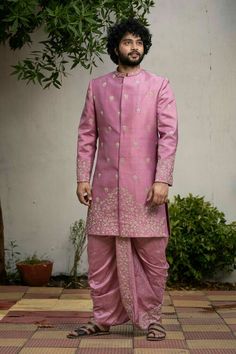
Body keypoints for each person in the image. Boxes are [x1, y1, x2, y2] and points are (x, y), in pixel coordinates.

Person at [68, 18, 178, 341]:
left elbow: (169, 136)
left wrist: (163, 180)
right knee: (100, 258)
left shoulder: (159, 86)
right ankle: (102, 319)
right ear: (116, 46)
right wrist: (81, 178)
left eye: (139, 43)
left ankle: (153, 319)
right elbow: (86, 135)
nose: (134, 48)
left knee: (153, 258)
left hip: (145, 190)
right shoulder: (97, 87)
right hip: (103, 190)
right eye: (128, 42)